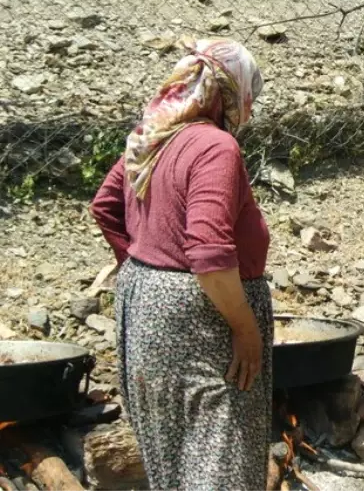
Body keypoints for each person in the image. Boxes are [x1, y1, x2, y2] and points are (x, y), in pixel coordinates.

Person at [90, 38, 271, 490]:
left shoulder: (151, 138)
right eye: (250, 94)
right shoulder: (215, 148)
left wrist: (145, 271)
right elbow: (209, 257)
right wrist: (245, 329)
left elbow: (105, 207)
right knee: (220, 456)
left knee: (172, 460)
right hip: (202, 323)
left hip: (144, 314)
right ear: (228, 93)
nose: (250, 107)